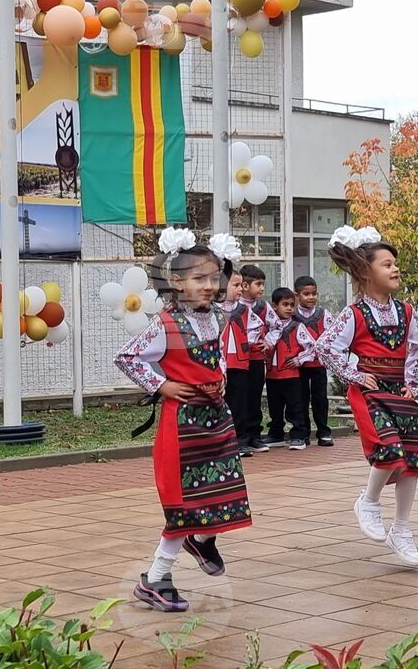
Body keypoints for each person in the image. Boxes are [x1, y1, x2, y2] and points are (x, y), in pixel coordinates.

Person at [115, 229, 253, 612]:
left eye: (213, 278)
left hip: (216, 418)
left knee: (221, 493)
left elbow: (218, 353)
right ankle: (156, 577)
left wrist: (220, 376)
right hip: (184, 425)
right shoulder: (166, 324)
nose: (209, 286)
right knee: (184, 503)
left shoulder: (218, 318)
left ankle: (201, 540)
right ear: (176, 282)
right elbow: (127, 358)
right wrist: (162, 385)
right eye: (199, 278)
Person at [314, 225, 418, 567]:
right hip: (370, 393)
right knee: (389, 449)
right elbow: (325, 347)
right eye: (387, 264)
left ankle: (402, 528)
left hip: (399, 392)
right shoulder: (354, 314)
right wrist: (354, 374)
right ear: (366, 273)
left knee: (413, 461)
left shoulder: (406, 311)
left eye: (395, 264)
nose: (395, 269)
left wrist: (413, 382)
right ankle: (368, 500)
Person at [219, 263, 264, 458]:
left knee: (239, 401)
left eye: (240, 285)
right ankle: (222, 440)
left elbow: (257, 325)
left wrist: (247, 341)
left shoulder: (243, 309)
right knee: (221, 401)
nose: (239, 289)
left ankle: (241, 441)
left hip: (239, 362)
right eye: (235, 285)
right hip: (219, 363)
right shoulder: (212, 308)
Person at [264, 287, 316, 450]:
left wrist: (299, 359)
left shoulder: (297, 327)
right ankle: (276, 435)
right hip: (271, 375)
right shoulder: (268, 327)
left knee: (295, 407)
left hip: (291, 375)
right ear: (274, 306)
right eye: (285, 304)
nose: (289, 308)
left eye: (292, 305)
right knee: (275, 407)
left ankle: (299, 436)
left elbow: (312, 347)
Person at [239, 264, 280, 454]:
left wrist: (268, 342)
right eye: (258, 284)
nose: (262, 288)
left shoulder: (263, 306)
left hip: (256, 358)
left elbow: (277, 326)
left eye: (263, 284)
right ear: (245, 285)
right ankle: (239, 438)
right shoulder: (233, 305)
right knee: (239, 397)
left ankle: (254, 436)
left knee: (254, 397)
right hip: (237, 359)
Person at [294, 275, 334, 446]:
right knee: (300, 399)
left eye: (314, 293)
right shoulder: (292, 316)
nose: (311, 297)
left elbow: (331, 336)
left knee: (320, 398)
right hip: (299, 365)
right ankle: (303, 433)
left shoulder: (324, 314)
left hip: (318, 364)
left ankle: (324, 432)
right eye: (306, 294)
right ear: (297, 295)